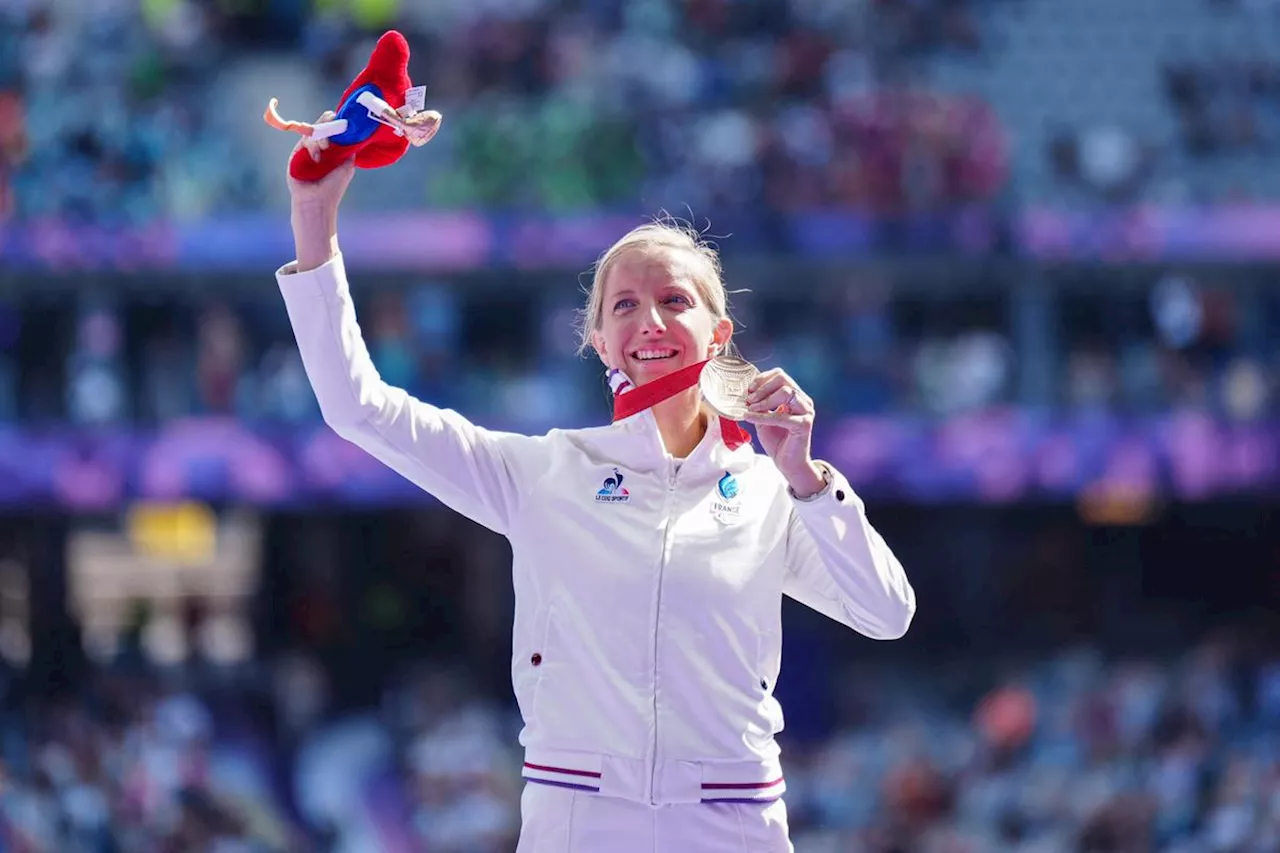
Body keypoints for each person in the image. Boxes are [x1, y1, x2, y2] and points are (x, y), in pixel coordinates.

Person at [277, 122, 916, 853]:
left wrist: (804, 475)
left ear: (718, 332)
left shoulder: (772, 491)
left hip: (733, 816)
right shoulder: (545, 472)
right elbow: (358, 407)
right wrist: (314, 218)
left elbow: (886, 612)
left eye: (675, 300)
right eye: (624, 306)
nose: (650, 320)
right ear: (600, 341)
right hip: (579, 815)